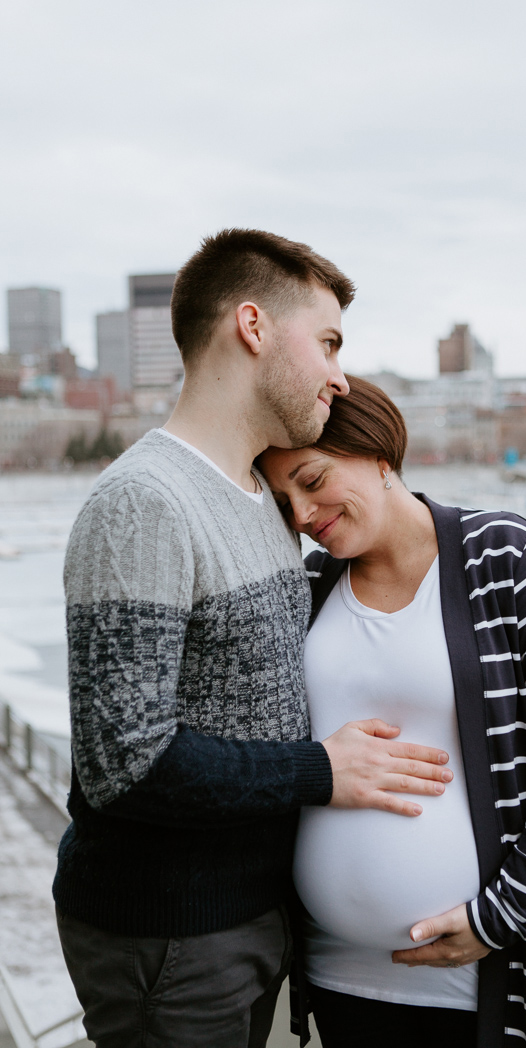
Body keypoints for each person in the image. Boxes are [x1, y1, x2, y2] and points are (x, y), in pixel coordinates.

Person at [53, 232, 453, 1048]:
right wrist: (321, 770)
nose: (340, 375)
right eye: (329, 342)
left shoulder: (259, 502)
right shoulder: (143, 503)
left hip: (248, 925)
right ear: (253, 327)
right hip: (168, 936)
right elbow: (122, 762)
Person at [258, 375, 526, 1048]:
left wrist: (500, 916)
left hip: (497, 971)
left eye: (311, 481)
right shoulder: (309, 588)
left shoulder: (506, 554)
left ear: (376, 452)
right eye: (284, 501)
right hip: (342, 980)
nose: (302, 514)